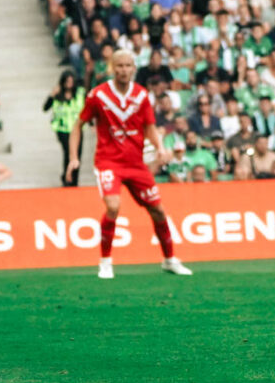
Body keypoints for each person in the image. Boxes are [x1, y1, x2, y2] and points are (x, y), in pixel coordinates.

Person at [67, 51, 191, 279]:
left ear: (134, 68)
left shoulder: (142, 95)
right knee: (113, 206)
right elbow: (78, 126)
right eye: (120, 66)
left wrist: (160, 147)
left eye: (128, 66)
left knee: (158, 210)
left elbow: (150, 127)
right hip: (108, 162)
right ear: (112, 68)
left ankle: (169, 259)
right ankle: (105, 262)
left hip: (135, 163)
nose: (124, 70)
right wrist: (73, 157)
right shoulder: (98, 96)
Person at [44, 71, 84, 185]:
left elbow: (87, 109)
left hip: (78, 128)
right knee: (68, 151)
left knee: (78, 154)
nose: (69, 84)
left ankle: (74, 179)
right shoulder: (58, 94)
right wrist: (52, 95)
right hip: (63, 129)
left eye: (71, 82)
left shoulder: (80, 94)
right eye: (67, 81)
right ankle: (67, 177)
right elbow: (45, 108)